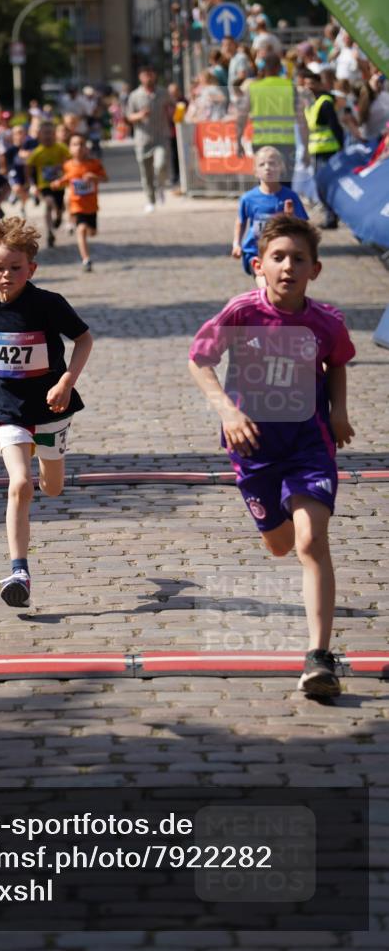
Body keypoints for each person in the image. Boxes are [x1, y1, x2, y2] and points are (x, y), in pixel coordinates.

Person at [189, 214, 355, 699]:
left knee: (310, 543)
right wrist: (226, 412)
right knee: (280, 545)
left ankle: (319, 657)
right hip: (253, 450)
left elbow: (338, 362)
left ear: (315, 270)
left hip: (310, 446)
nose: (288, 267)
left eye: (298, 259)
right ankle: (277, 521)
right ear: (259, 265)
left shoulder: (326, 321)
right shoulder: (241, 312)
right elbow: (200, 359)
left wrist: (340, 410)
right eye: (278, 258)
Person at [0, 217, 93, 607]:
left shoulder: (48, 304)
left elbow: (83, 339)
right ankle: (19, 571)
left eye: (16, 268)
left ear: (32, 268)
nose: (7, 275)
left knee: (52, 487)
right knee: (19, 485)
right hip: (9, 408)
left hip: (51, 408)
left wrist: (66, 382)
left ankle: (46, 459)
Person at [232, 146, 308, 280]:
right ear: (255, 171)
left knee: (278, 290)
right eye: (262, 164)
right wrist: (236, 243)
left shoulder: (290, 197)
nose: (267, 167)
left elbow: (304, 226)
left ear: (281, 168)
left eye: (272, 163)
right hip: (254, 252)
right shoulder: (248, 198)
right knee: (264, 284)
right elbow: (241, 221)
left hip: (281, 254)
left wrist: (291, 219)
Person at [236, 54, 308, 186]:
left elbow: (241, 116)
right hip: (286, 144)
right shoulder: (290, 87)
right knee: (285, 187)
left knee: (265, 186)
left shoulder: (253, 88)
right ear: (279, 68)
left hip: (261, 143)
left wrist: (238, 140)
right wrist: (306, 148)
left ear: (263, 68)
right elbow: (301, 120)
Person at [51, 132, 108, 272]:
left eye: (82, 144)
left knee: (92, 233)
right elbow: (67, 178)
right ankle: (86, 259)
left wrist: (94, 177)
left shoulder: (94, 163)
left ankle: (88, 235)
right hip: (77, 205)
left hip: (92, 206)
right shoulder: (68, 165)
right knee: (81, 229)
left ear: (87, 148)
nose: (79, 147)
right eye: (75, 144)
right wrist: (58, 183)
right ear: (70, 148)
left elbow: (105, 178)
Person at [303, 69, 345, 229]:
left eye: (312, 83)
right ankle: (330, 215)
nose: (309, 87)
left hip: (328, 152)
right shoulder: (312, 104)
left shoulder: (325, 102)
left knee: (325, 184)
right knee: (321, 185)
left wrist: (341, 148)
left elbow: (335, 127)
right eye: (306, 84)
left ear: (319, 84)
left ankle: (331, 216)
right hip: (317, 151)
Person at [126, 64, 171, 212]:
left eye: (151, 74)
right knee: (146, 173)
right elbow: (128, 116)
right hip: (143, 139)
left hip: (161, 137)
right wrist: (139, 115)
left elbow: (173, 108)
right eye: (145, 74)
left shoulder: (163, 93)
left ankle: (161, 188)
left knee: (161, 165)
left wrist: (172, 111)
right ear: (140, 77)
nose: (149, 77)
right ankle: (150, 200)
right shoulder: (135, 95)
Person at [27, 122, 70, 247]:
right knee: (48, 203)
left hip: (60, 184)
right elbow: (28, 168)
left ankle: (59, 217)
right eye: (45, 133)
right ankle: (50, 231)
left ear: (55, 135)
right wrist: (31, 184)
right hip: (44, 185)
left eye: (50, 133)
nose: (48, 136)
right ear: (39, 135)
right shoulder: (37, 152)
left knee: (60, 208)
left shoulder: (61, 148)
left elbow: (70, 159)